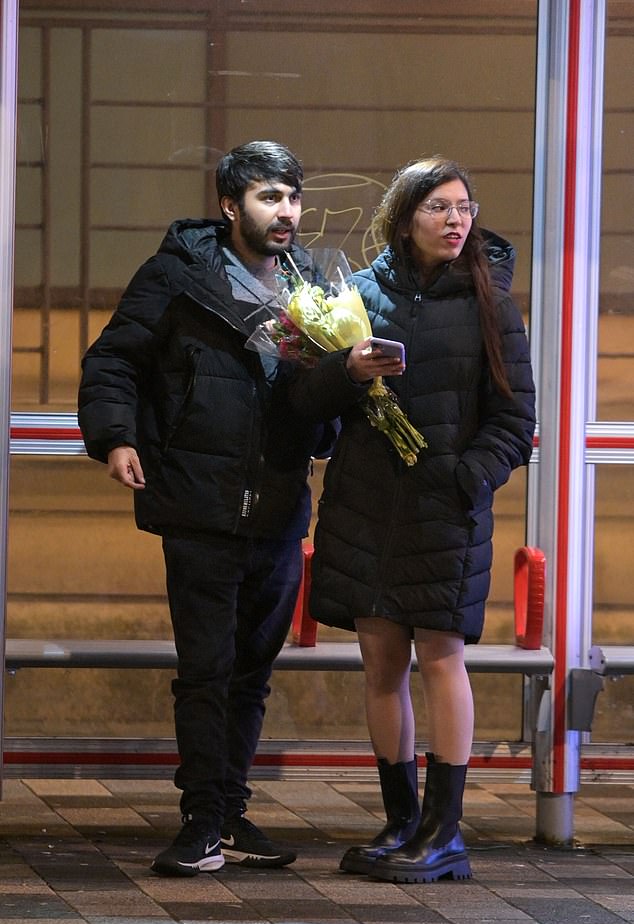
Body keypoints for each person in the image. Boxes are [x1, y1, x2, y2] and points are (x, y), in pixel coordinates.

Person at [77, 140, 357, 877]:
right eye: (270, 196)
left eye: (294, 196)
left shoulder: (314, 284)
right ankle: (199, 819)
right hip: (198, 504)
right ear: (231, 206)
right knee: (206, 669)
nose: (287, 210)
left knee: (250, 674)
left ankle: (230, 811)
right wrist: (115, 438)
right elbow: (114, 359)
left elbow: (319, 390)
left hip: (276, 503)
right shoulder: (180, 273)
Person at [308, 156, 536, 883]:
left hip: (446, 509)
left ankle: (445, 832)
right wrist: (345, 372)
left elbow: (515, 418)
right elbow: (312, 400)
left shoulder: (490, 302)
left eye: (464, 206)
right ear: (405, 218)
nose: (456, 219)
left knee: (441, 656)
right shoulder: (359, 295)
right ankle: (401, 820)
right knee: (380, 661)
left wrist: (465, 479)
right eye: (439, 206)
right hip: (367, 505)